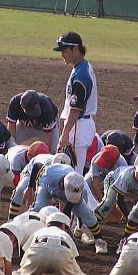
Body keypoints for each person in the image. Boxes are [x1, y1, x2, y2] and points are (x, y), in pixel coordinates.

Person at [31, 163, 107, 254]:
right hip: (47, 187)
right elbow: (37, 166)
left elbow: (67, 211)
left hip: (64, 187)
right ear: (63, 185)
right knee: (37, 210)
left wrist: (66, 234)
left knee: (87, 213)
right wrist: (30, 187)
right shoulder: (48, 175)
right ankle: (31, 234)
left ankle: (99, 239)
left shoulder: (76, 182)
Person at [53, 32, 98, 175]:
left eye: (65, 51)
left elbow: (75, 109)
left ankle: (90, 199)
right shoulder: (82, 67)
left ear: (75, 49)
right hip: (79, 125)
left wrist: (65, 134)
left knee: (73, 175)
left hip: (78, 126)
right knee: (71, 174)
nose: (62, 55)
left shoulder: (81, 75)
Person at [95, 154, 138, 228]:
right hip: (114, 180)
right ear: (134, 168)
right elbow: (119, 200)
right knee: (108, 204)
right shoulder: (126, 176)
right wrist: (128, 217)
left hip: (134, 188)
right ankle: (90, 224)